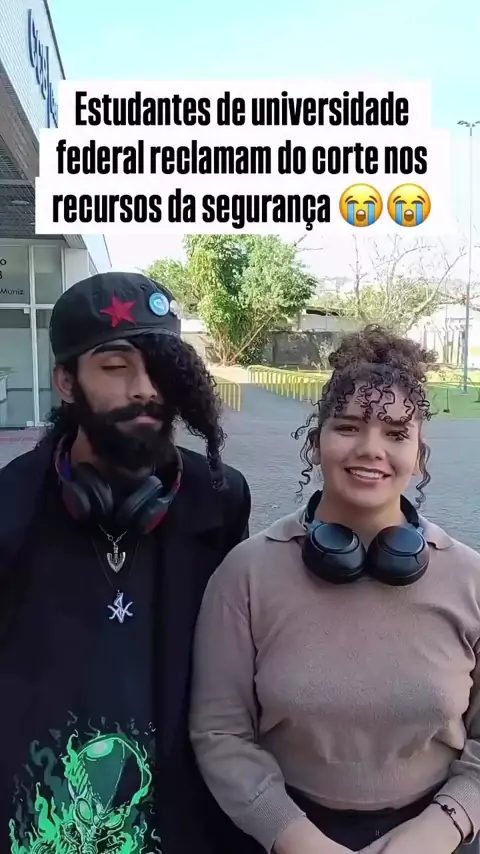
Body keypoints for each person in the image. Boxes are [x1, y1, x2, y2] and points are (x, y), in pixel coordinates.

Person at [190, 326, 480, 854]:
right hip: (283, 834)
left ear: (419, 453)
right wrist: (293, 836)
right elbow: (220, 733)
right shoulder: (246, 574)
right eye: (348, 427)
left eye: (396, 434)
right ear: (315, 441)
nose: (371, 450)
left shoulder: (471, 579)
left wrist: (444, 826)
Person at [0, 271, 254, 854]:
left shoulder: (219, 500)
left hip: (183, 827)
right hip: (40, 826)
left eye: (160, 368)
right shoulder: (11, 507)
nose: (145, 389)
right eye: (116, 368)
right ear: (66, 382)